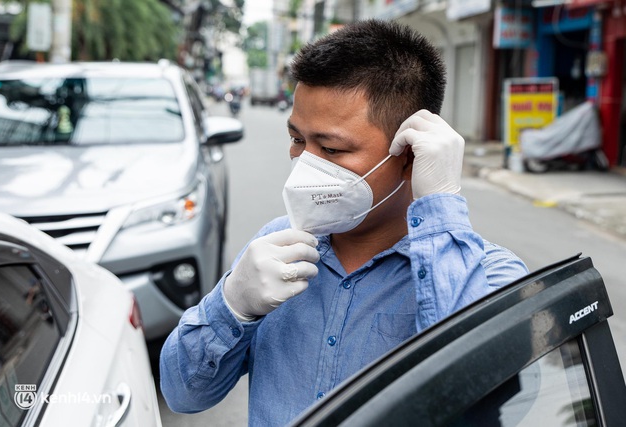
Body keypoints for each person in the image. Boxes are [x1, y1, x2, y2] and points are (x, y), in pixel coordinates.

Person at [160, 19, 528, 425]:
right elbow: (183, 393)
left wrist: (440, 202)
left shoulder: (490, 274)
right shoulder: (276, 248)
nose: (305, 163)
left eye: (332, 149)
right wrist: (233, 306)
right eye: (298, 139)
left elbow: (476, 385)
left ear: (408, 155)